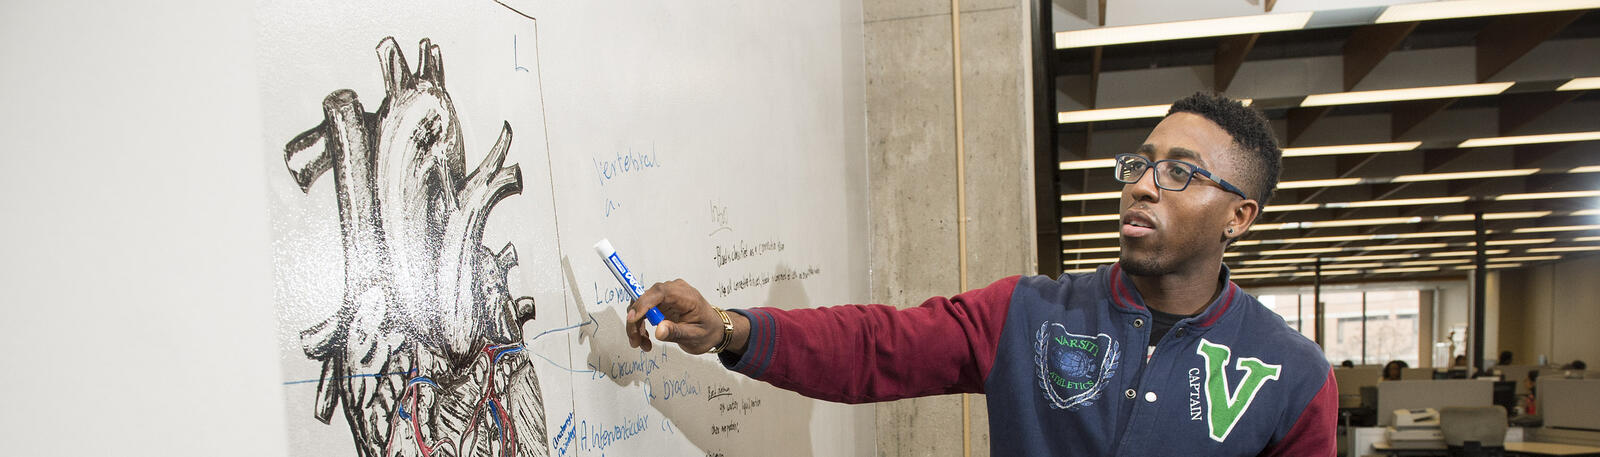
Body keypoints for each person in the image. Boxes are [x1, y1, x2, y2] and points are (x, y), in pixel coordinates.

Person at [625, 93, 1335, 456]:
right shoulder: (1028, 314)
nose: (1144, 185)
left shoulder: (1293, 376)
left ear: (1237, 217)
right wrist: (727, 327)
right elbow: (879, 346)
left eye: (1181, 173)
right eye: (1141, 163)